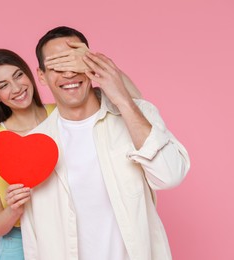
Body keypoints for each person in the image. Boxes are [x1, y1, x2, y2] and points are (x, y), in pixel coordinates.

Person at [20, 26, 191, 260]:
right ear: (41, 76)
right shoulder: (34, 145)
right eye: (58, 66)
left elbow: (170, 175)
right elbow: (33, 236)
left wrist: (121, 97)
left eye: (76, 62)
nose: (69, 74)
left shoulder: (137, 113)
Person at [0, 48, 142, 260]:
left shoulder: (66, 115)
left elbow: (136, 104)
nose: (16, 88)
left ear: (33, 74)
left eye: (18, 75)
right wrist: (13, 210)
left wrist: (94, 62)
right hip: (19, 244)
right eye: (3, 85)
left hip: (69, 235)